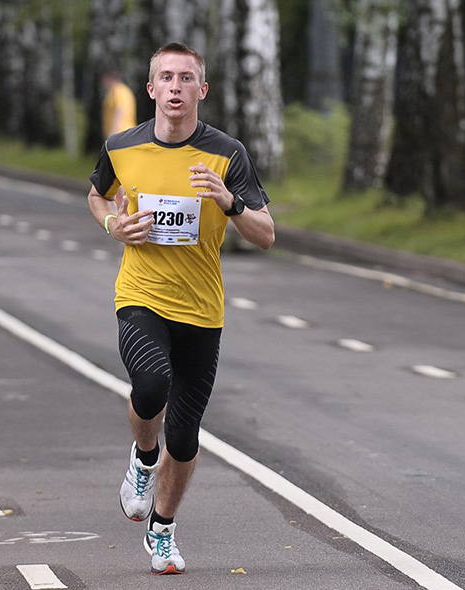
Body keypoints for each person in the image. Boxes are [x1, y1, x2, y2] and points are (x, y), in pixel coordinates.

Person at [86, 42, 275, 575]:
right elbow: (96, 195)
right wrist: (112, 224)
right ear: (151, 88)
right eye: (166, 77)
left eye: (186, 78)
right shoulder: (122, 147)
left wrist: (230, 202)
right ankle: (144, 458)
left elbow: (266, 234)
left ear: (201, 90)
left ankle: (163, 530)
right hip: (141, 296)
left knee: (186, 433)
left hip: (202, 309)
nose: (175, 87)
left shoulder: (227, 154)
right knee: (150, 386)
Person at [101, 69, 136, 138]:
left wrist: (112, 135)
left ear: (110, 79)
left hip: (120, 134)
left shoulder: (117, 91)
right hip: (127, 134)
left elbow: (119, 111)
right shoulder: (125, 90)